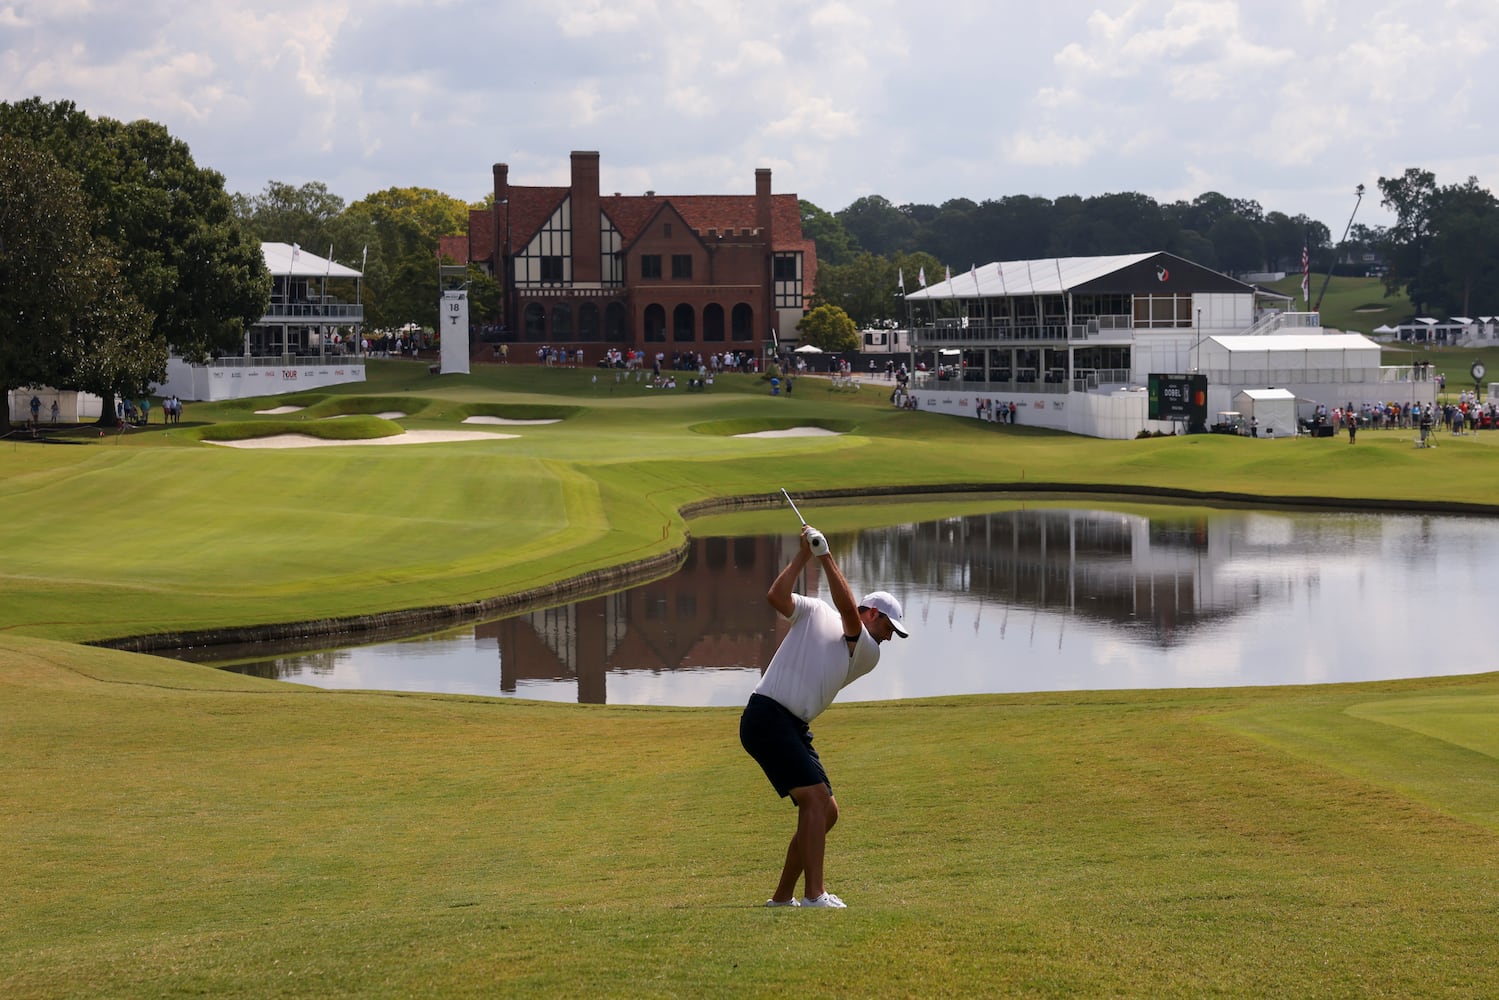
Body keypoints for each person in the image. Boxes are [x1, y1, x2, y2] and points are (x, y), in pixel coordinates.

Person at [740, 524, 909, 909]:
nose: (888, 637)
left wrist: (825, 556)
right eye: (887, 626)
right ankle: (814, 895)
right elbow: (776, 596)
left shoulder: (868, 652)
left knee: (826, 810)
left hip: (792, 725)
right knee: (816, 801)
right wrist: (804, 553)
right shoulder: (817, 610)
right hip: (766, 716)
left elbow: (848, 612)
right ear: (872, 613)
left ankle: (783, 898)